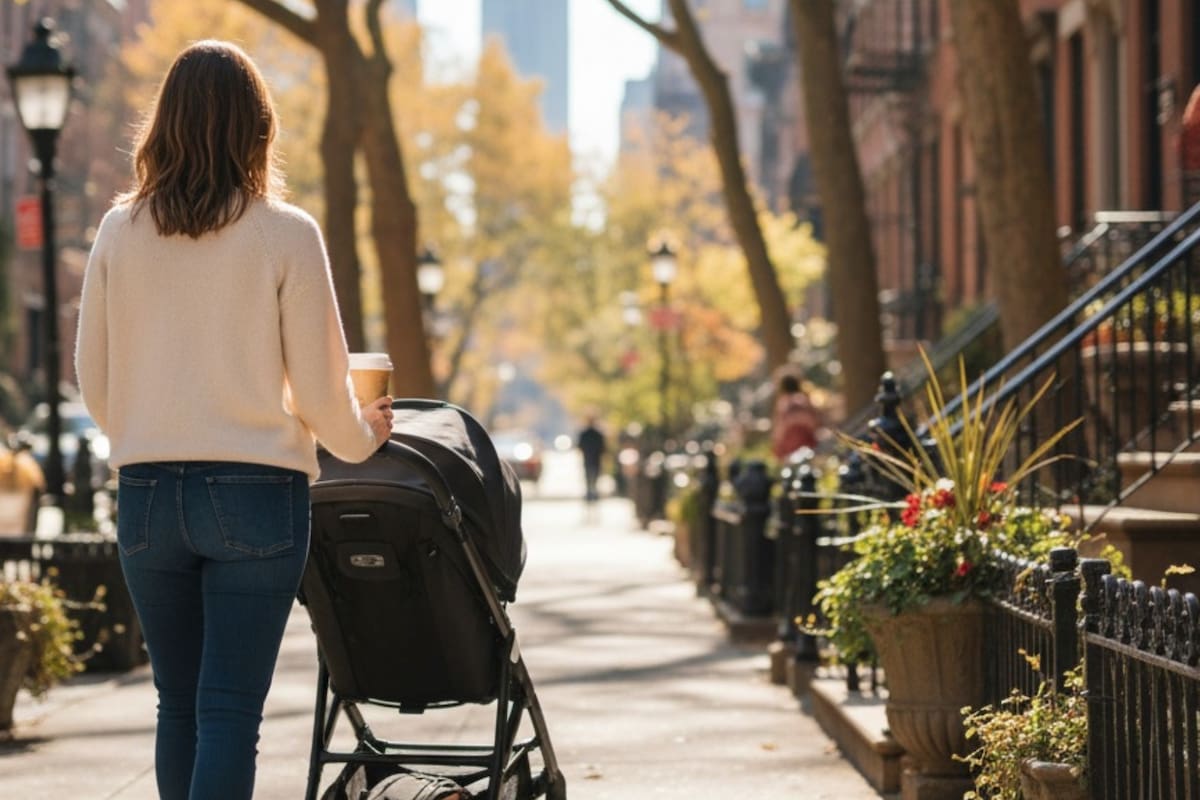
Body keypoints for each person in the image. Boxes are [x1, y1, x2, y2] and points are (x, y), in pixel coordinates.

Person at [74, 41, 394, 800]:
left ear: (165, 126)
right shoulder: (286, 233)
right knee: (226, 713)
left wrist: (146, 430)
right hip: (255, 494)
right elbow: (321, 393)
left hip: (148, 493)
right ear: (259, 128)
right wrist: (362, 436)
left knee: (177, 705)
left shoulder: (121, 231)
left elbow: (93, 377)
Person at [770, 371, 822, 461]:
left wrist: (777, 444)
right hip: (807, 441)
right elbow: (814, 421)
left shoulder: (784, 402)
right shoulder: (804, 399)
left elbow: (780, 426)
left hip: (789, 443)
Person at [577, 417, 607, 503]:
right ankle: (591, 492)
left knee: (590, 476)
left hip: (590, 458)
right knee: (592, 475)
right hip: (594, 459)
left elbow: (580, 447)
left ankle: (591, 492)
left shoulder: (587, 434)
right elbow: (603, 448)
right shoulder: (595, 434)